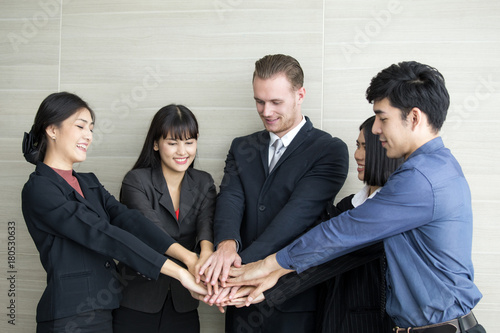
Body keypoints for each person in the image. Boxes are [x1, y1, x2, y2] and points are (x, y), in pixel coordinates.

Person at [226, 61, 486, 333]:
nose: (375, 129)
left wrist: (268, 264)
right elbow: (346, 250)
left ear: (415, 117)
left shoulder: (419, 179)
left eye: (383, 118)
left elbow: (342, 232)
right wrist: (275, 275)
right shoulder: (439, 166)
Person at [21, 92, 207, 333]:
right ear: (52, 130)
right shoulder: (39, 188)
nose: (88, 136)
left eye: (91, 128)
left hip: (104, 310)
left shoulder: (89, 182)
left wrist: (189, 257)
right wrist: (180, 273)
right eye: (80, 126)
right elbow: (103, 234)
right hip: (68, 315)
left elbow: (131, 222)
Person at [199, 54, 349, 332]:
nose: (266, 111)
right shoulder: (241, 146)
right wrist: (226, 246)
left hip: (293, 300)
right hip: (238, 304)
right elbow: (231, 197)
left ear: (300, 94)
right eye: (259, 101)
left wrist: (236, 272)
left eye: (276, 102)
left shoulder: (329, 149)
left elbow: (297, 217)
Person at [227, 115, 402, 332]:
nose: (357, 155)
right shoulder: (348, 205)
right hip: (331, 318)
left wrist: (267, 281)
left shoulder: (393, 212)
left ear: (386, 149)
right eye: (358, 146)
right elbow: (312, 252)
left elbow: (330, 259)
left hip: (367, 323)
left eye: (365, 147)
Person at [112, 104, 216, 333]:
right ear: (156, 144)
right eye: (172, 143)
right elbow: (151, 232)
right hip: (136, 298)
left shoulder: (204, 182)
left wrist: (206, 256)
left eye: (189, 142)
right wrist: (191, 260)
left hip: (184, 302)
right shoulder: (136, 181)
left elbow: (206, 227)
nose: (182, 151)